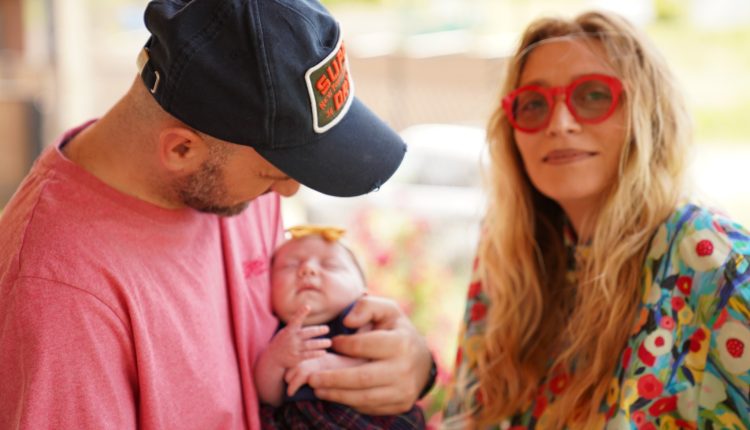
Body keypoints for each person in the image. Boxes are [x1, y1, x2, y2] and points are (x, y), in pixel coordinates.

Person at [0, 0, 435, 428]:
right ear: (181, 149)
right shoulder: (62, 297)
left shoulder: (227, 179)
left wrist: (409, 366)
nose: (289, 190)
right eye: (275, 171)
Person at [442, 10, 750, 429]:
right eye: (534, 104)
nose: (560, 124)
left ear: (646, 114)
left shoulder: (705, 254)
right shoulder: (507, 259)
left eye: (593, 96)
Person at [255, 225, 426, 429]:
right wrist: (274, 359)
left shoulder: (359, 319)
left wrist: (325, 366)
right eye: (289, 265)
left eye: (331, 265)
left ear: (363, 289)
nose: (308, 269)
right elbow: (270, 398)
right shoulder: (276, 332)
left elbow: (379, 367)